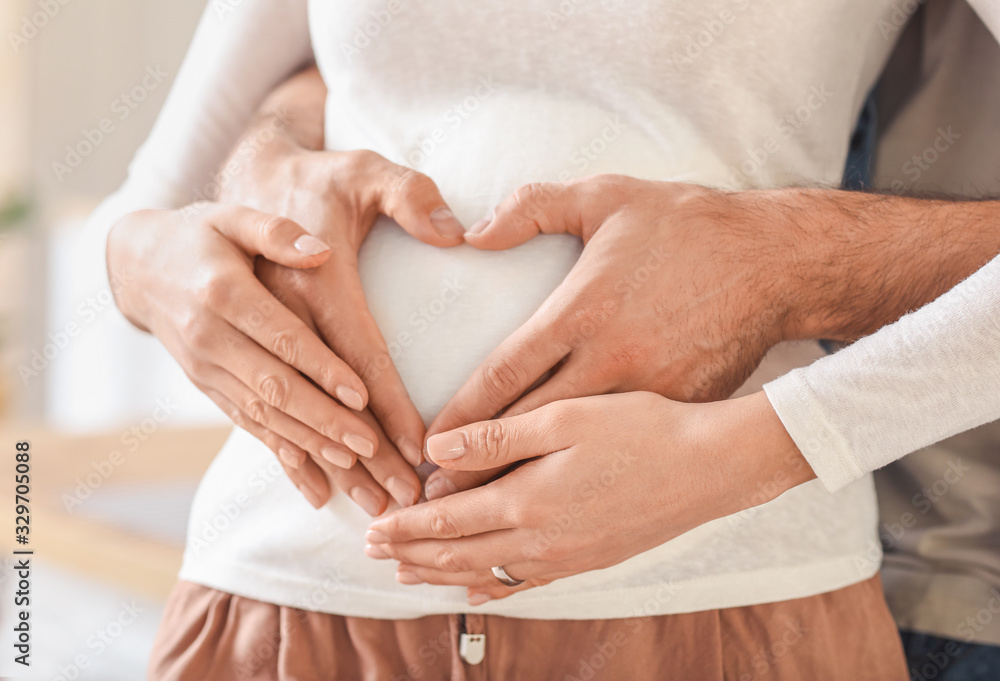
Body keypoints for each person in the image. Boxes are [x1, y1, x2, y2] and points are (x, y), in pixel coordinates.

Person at [93, 0, 1000, 678]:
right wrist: (156, 269)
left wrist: (765, 447)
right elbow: (149, 201)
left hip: (727, 606)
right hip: (281, 603)